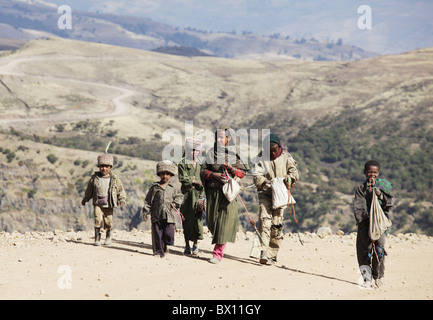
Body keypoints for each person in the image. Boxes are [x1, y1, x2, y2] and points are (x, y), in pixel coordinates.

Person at [201, 128, 249, 264]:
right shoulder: (211, 153)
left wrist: (231, 168)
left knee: (224, 222)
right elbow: (203, 171)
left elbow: (243, 173)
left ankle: (217, 254)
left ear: (229, 138)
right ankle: (219, 241)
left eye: (222, 137)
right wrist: (212, 175)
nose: (219, 140)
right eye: (217, 137)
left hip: (228, 195)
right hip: (213, 193)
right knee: (212, 222)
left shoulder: (236, 154)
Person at [252, 133, 299, 265]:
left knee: (276, 224)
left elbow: (293, 172)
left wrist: (290, 179)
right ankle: (263, 251)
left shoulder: (286, 157)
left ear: (279, 147)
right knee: (264, 220)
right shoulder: (260, 158)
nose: (272, 152)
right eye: (270, 150)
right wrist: (265, 182)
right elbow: (256, 175)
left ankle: (273, 253)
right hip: (265, 194)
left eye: (274, 150)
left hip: (281, 195)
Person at [353, 160, 394, 288]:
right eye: (370, 172)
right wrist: (364, 223)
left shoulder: (383, 187)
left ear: (378, 173)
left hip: (380, 226)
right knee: (364, 252)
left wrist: (379, 195)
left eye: (375, 172)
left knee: (379, 250)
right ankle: (367, 278)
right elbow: (358, 207)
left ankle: (378, 277)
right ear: (365, 173)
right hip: (365, 225)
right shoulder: (361, 189)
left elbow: (389, 203)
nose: (372, 175)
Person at [81, 153, 126, 246]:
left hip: (109, 204)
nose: (104, 169)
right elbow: (89, 190)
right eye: (102, 166)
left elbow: (120, 190)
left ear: (110, 167)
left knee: (108, 221)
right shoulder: (94, 178)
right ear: (99, 167)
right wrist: (86, 198)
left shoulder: (114, 179)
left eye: (106, 166)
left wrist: (121, 199)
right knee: (98, 220)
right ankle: (97, 239)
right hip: (98, 203)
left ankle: (108, 237)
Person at [142, 160, 183, 258]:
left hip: (170, 215)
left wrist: (176, 203)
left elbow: (179, 197)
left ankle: (166, 244)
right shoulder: (154, 188)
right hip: (157, 215)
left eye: (167, 174)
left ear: (171, 175)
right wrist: (145, 212)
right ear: (159, 175)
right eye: (163, 174)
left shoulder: (173, 188)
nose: (165, 176)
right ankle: (158, 251)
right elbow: (148, 201)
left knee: (169, 233)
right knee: (157, 234)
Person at [178, 137, 205, 255]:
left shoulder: (201, 164)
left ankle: (195, 244)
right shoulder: (182, 163)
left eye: (196, 150)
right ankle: (187, 245)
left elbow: (205, 177)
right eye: (192, 150)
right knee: (187, 220)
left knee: (198, 220)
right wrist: (194, 181)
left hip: (199, 195)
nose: (194, 152)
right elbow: (182, 178)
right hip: (187, 196)